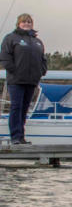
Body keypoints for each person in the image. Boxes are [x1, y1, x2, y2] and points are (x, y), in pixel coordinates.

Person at [0, 13, 47, 144]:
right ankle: (15, 136)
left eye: (29, 22)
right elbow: (5, 57)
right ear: (18, 24)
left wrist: (41, 71)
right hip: (16, 80)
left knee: (25, 108)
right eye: (24, 22)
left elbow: (43, 59)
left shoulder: (37, 42)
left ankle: (21, 136)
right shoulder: (11, 38)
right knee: (16, 107)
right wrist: (14, 71)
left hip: (31, 81)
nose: (27, 24)